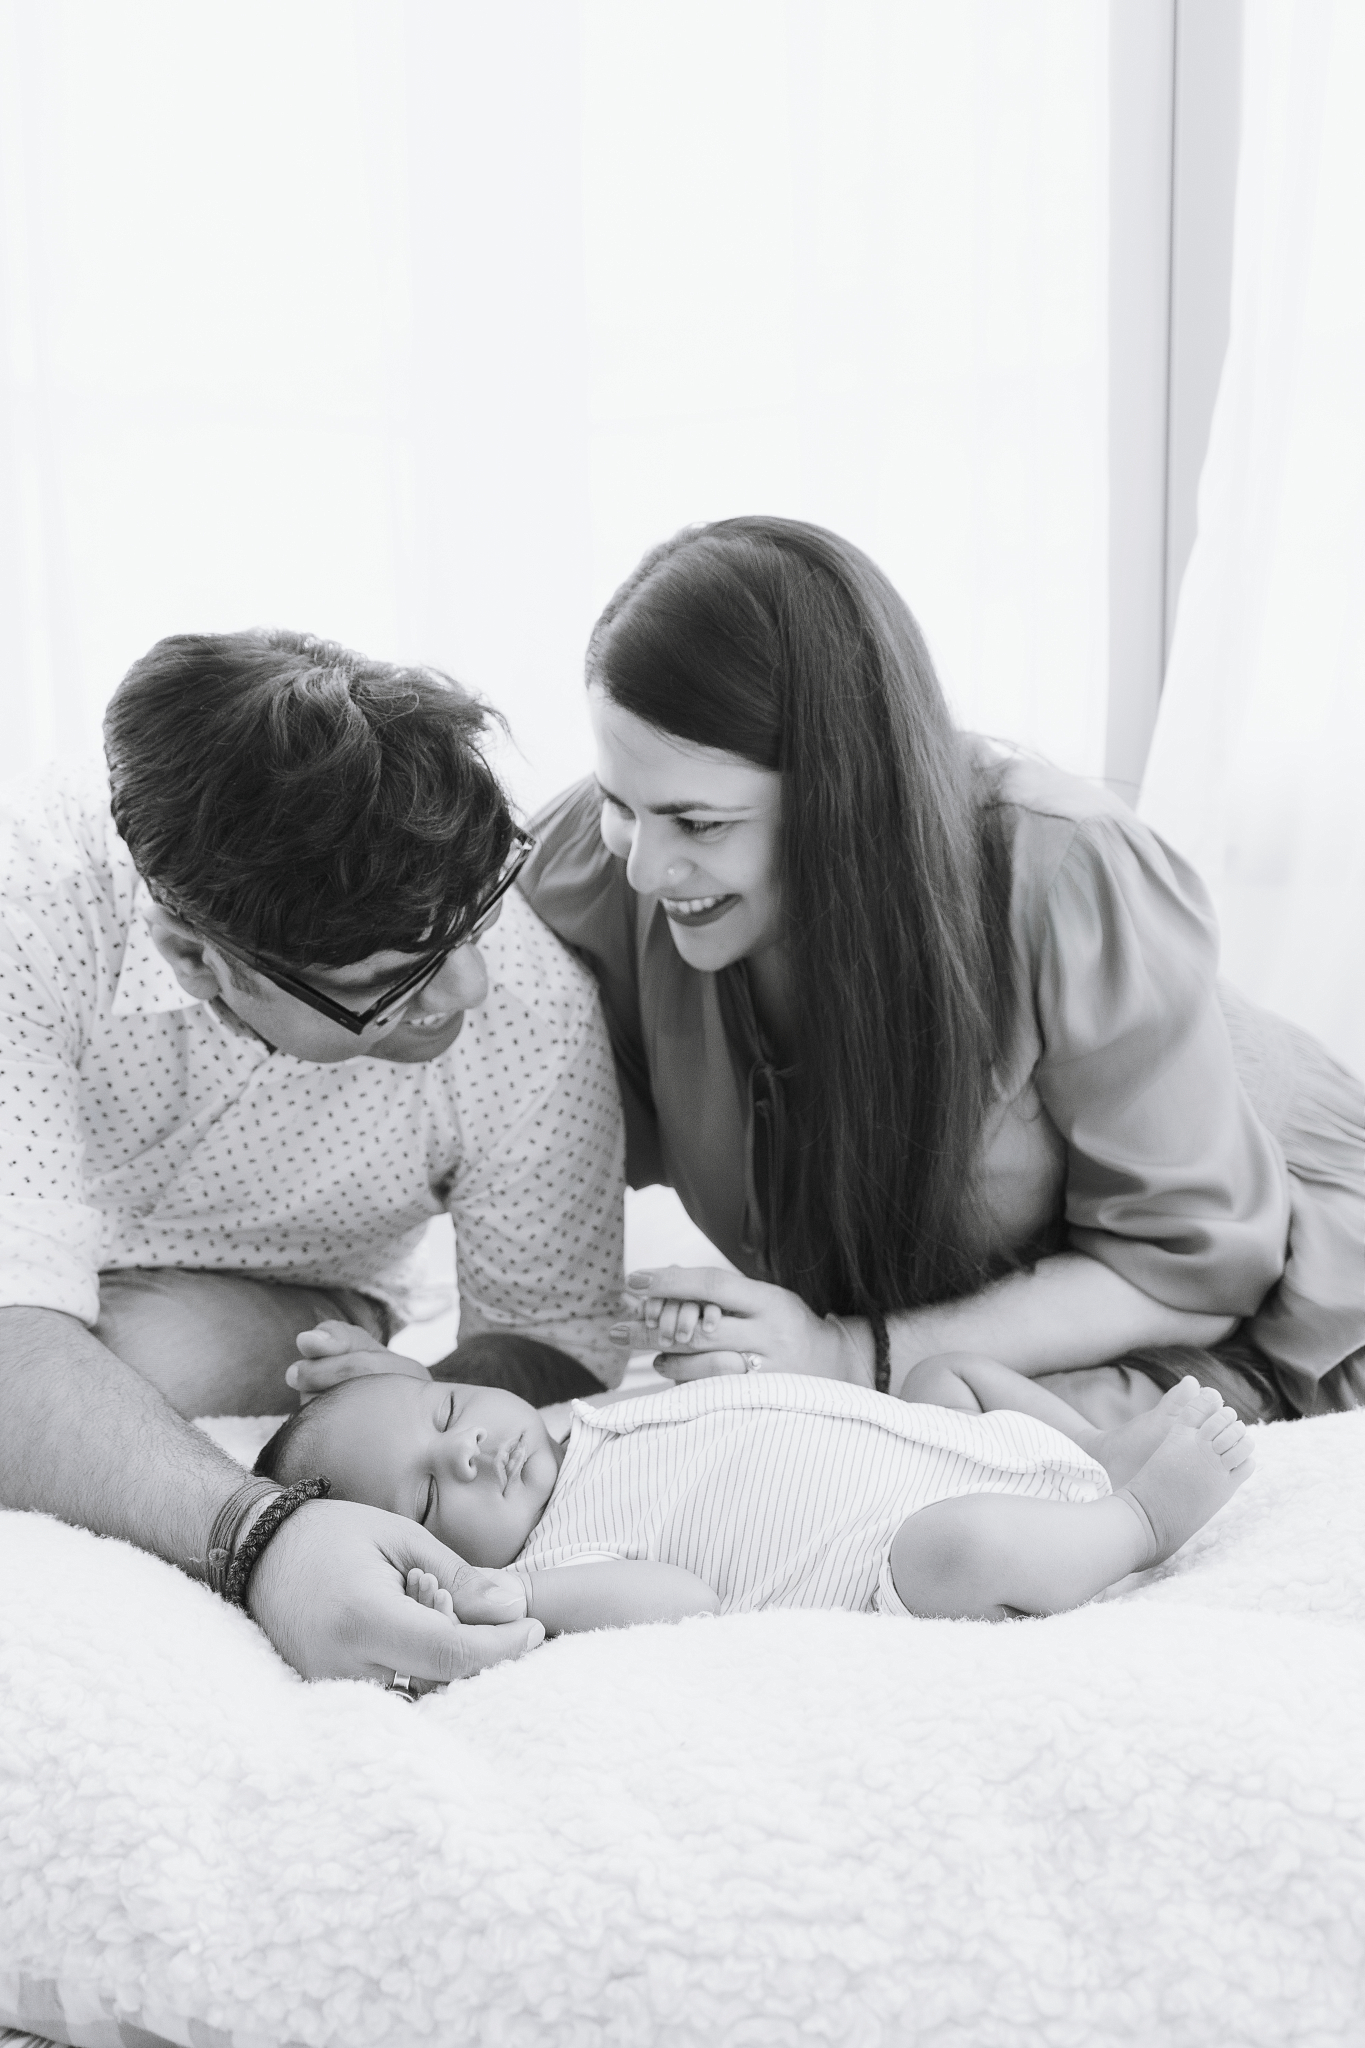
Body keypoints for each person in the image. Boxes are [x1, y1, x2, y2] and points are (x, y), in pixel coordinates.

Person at [516, 517, 1364, 1428]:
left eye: (701, 826)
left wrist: (849, 1356)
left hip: (1243, 1289)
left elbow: (1188, 1268)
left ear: (844, 799)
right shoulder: (609, 853)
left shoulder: (1067, 872)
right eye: (618, 803)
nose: (643, 868)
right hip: (944, 1337)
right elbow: (444, 1027)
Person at [0, 629, 629, 1689]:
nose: (469, 988)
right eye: (394, 978)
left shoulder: (528, 1000)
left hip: (286, 1304)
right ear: (195, 955)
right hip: (37, 1264)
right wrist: (265, 1536)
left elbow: (552, 1337)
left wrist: (412, 1403)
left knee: (150, 1368)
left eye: (473, 918)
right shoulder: (35, 903)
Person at [253, 1317, 1255, 1629]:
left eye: (445, 1410)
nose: (466, 1448)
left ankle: (1083, 1451)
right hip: (908, 1555)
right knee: (954, 1545)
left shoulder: (583, 1425)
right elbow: (679, 1596)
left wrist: (718, 1366)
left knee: (942, 1372)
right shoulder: (562, 1555)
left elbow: (736, 1412)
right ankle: (1136, 1519)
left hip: (936, 1442)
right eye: (430, 1492)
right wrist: (512, 1590)